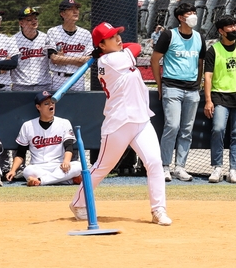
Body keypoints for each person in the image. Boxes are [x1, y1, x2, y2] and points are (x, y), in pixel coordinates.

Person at [69, 22, 171, 225]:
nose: (118, 38)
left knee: (154, 163)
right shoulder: (110, 60)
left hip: (141, 120)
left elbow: (133, 46)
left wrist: (100, 50)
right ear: (102, 45)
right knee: (102, 167)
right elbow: (136, 47)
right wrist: (100, 53)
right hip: (118, 123)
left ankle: (158, 210)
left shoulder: (112, 56)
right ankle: (78, 203)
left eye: (117, 34)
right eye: (111, 37)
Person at [152, 1, 205, 182]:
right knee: (172, 126)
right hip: (172, 87)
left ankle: (180, 167)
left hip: (192, 90)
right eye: (189, 13)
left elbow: (200, 62)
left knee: (187, 129)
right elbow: (154, 60)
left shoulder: (199, 37)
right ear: (180, 18)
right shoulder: (169, 35)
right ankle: (164, 166)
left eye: (193, 12)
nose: (193, 16)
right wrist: (160, 85)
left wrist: (198, 84)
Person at [203, 15, 236, 184]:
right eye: (229, 27)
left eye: (235, 25)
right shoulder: (214, 50)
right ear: (221, 31)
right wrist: (208, 100)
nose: (234, 29)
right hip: (220, 96)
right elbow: (208, 76)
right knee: (218, 129)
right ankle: (217, 168)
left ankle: (233, 170)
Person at [7, 91, 82, 186]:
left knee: (79, 166)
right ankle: (68, 180)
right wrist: (13, 170)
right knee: (27, 171)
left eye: (52, 102)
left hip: (59, 166)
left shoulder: (64, 123)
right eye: (46, 103)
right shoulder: (28, 125)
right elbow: (21, 153)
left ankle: (40, 181)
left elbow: (69, 147)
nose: (51, 105)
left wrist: (66, 161)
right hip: (38, 167)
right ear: (38, 107)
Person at [48, 0, 92, 93]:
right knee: (59, 107)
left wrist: (63, 59)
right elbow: (54, 59)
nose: (75, 11)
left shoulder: (85, 34)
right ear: (62, 14)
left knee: (78, 106)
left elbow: (88, 61)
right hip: (58, 79)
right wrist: (79, 59)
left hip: (78, 78)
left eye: (77, 8)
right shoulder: (53, 32)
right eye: (71, 9)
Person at [11, 6, 51, 92]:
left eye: (35, 18)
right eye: (29, 19)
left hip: (43, 84)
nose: (34, 21)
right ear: (21, 23)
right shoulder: (13, 40)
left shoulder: (46, 38)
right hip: (20, 85)